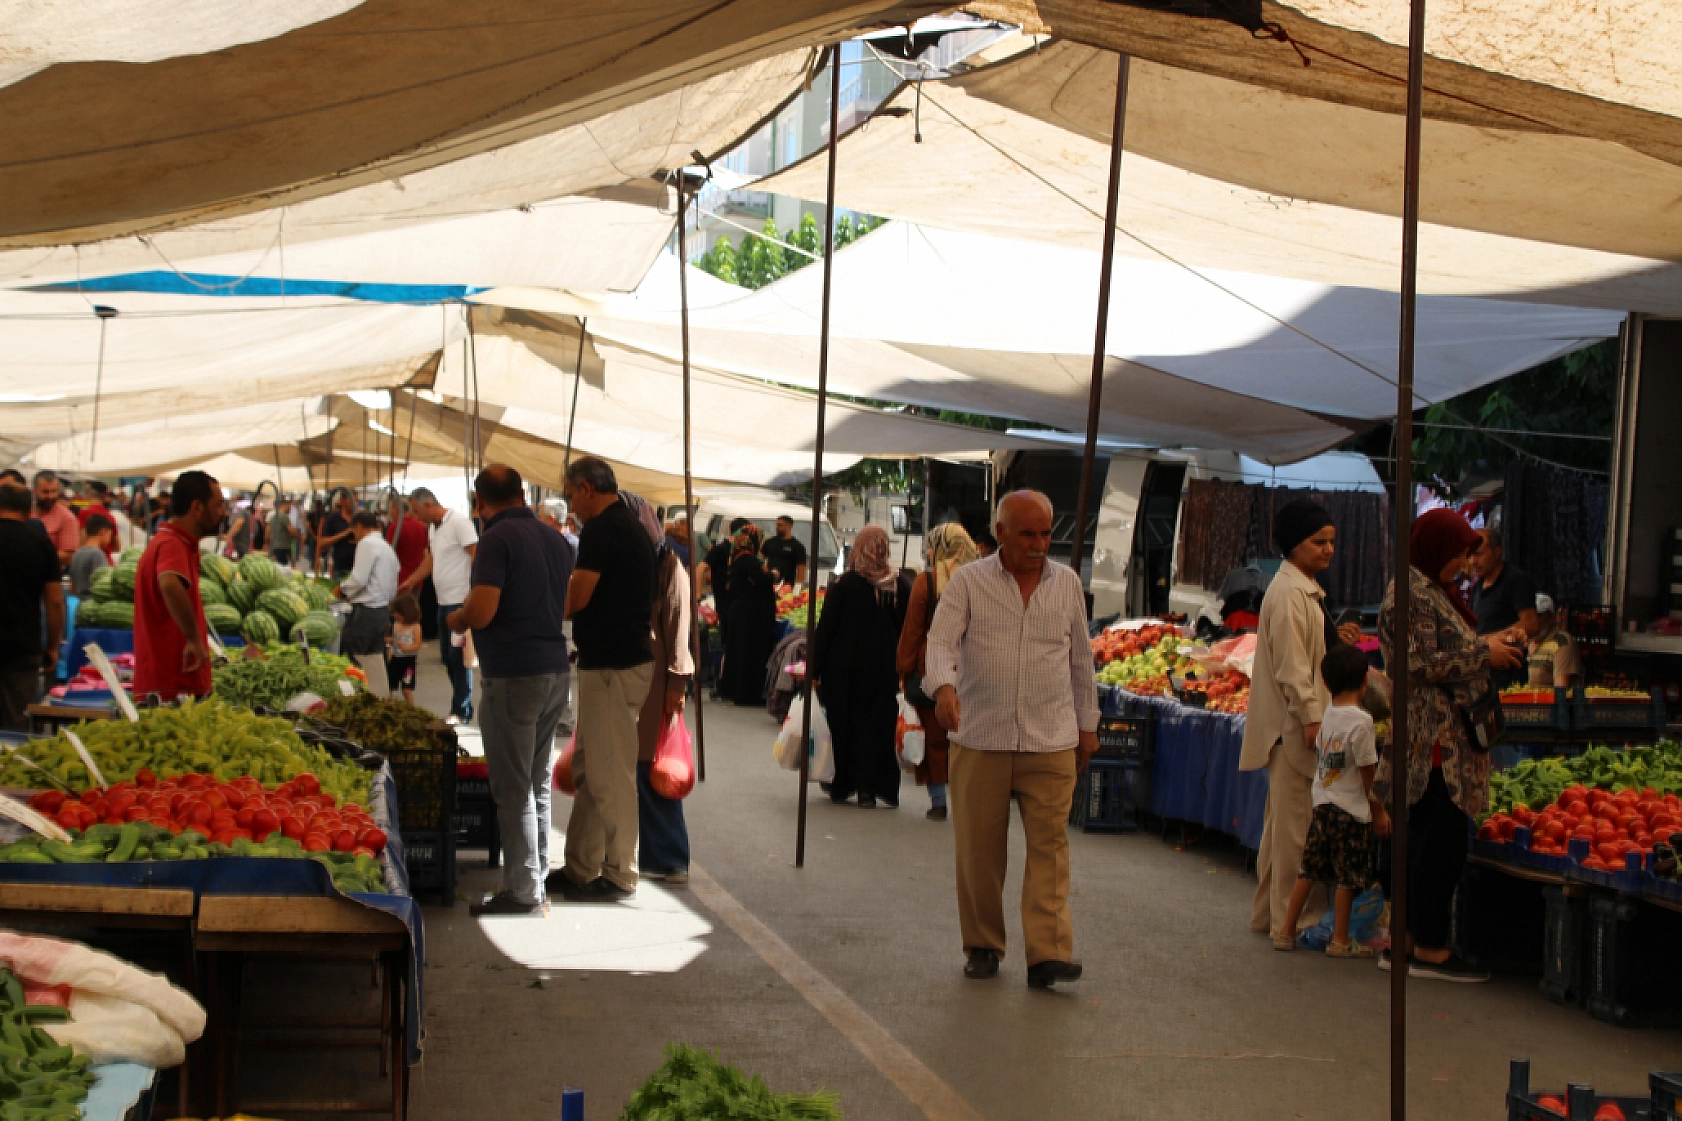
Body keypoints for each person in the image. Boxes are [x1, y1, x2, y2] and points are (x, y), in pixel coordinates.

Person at [923, 491, 1099, 990]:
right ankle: (982, 944)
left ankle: (1048, 953)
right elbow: (941, 643)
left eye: (1046, 534)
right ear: (1000, 533)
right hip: (982, 737)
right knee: (979, 850)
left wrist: (1088, 725)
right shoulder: (968, 583)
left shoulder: (1066, 585)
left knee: (1051, 850)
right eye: (1028, 534)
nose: (1039, 544)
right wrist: (944, 688)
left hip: (1052, 739)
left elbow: (1081, 662)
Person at [1377, 508, 1524, 982]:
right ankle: (1431, 948)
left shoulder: (1429, 592)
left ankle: (1407, 942)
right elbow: (1417, 664)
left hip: (1439, 737)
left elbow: (1443, 648)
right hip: (1432, 739)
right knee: (1438, 846)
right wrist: (1485, 652)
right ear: (1436, 547)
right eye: (1459, 554)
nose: (1464, 564)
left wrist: (1496, 641)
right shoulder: (1412, 594)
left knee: (1424, 841)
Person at [448, 465, 574, 917]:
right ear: (523, 494)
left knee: (514, 786)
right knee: (536, 781)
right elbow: (563, 604)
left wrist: (459, 618)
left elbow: (482, 610)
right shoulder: (556, 539)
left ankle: (521, 889)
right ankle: (533, 880)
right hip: (554, 670)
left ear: (479, 503)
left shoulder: (495, 541)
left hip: (514, 674)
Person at [1240, 498, 1356, 939]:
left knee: (1282, 829)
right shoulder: (1289, 593)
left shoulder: (1302, 589)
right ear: (1294, 545)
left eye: (1331, 542)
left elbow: (1312, 653)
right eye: (1318, 542)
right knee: (1297, 832)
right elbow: (1292, 668)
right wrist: (1311, 720)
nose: (1328, 549)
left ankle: (1268, 915)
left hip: (1294, 728)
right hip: (1295, 730)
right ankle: (1296, 921)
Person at [556, 456, 656, 903]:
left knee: (610, 774)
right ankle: (580, 865)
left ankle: (618, 872)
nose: (570, 506)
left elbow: (577, 595)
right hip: (607, 663)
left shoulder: (604, 528)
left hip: (615, 667)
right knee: (591, 770)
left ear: (586, 488)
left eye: (570, 495)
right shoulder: (624, 524)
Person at [1275, 644, 1390, 956]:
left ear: (1326, 684)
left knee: (1309, 870)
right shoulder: (1362, 722)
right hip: (1351, 811)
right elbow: (1369, 772)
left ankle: (1285, 931)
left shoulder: (1329, 715)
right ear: (1366, 682)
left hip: (1323, 805)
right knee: (1346, 877)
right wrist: (1378, 811)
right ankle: (1340, 940)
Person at [811, 525, 910, 808]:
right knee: (877, 728)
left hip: (844, 672)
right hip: (883, 671)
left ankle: (843, 785)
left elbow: (826, 629)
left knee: (846, 726)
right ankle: (871, 788)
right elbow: (907, 630)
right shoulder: (898, 585)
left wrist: (814, 670)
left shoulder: (845, 585)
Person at [625, 492, 694, 884]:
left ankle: (669, 857)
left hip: (656, 684)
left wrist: (676, 683)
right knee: (635, 770)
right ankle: (652, 854)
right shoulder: (637, 566)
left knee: (654, 772)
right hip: (633, 678)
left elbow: (678, 630)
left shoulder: (669, 567)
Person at [898, 523, 981, 821]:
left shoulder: (927, 582)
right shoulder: (981, 579)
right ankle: (966, 800)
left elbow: (913, 632)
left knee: (935, 739)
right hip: (973, 673)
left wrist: (904, 669)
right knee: (968, 742)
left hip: (932, 671)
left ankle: (938, 802)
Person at [133, 471, 223, 702]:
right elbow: (170, 584)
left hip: (172, 683)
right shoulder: (172, 543)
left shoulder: (172, 541)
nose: (222, 513)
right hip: (173, 686)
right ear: (197, 508)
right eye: (218, 505)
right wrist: (193, 639)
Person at [398, 487, 479, 724]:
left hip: (458, 601)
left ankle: (461, 710)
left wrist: (473, 591)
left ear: (429, 505)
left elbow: (476, 553)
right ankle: (459, 705)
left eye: (416, 511)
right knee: (447, 655)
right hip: (443, 601)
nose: (415, 516)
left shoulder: (459, 522)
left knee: (458, 657)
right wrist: (412, 580)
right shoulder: (433, 528)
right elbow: (431, 559)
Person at [0, 483, 63, 732]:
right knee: (16, 721)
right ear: (29, 511)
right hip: (22, 647)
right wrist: (53, 645)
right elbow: (55, 602)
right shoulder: (40, 544)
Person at [335, 512, 400, 695]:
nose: (353, 535)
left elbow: (359, 579)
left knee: (354, 661)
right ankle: (379, 699)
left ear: (360, 527)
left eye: (353, 531)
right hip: (381, 612)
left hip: (366, 612)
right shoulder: (387, 547)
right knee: (375, 662)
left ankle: (356, 700)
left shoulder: (367, 543)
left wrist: (343, 589)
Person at [1470, 528, 1537, 689]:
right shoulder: (1478, 587)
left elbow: (1531, 624)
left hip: (1507, 679)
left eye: (1479, 554)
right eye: (1470, 555)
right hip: (1483, 676)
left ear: (1497, 552)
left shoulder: (1515, 580)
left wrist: (1494, 639)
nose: (1473, 561)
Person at [719, 524, 777, 707]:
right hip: (751, 616)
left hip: (743, 613)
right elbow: (759, 579)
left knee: (740, 651)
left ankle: (736, 691)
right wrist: (774, 576)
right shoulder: (749, 560)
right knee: (750, 653)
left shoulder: (738, 558)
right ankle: (748, 694)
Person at [1528, 594, 1583, 691]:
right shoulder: (1526, 641)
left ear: (1550, 618)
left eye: (1538, 616)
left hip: (1547, 704)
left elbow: (1561, 691)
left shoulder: (1561, 642)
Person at [31, 471, 77, 566]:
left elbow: (68, 556)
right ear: (34, 491)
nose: (50, 496)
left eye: (54, 491)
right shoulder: (24, 511)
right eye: (45, 492)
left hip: (49, 575)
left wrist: (34, 556)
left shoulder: (67, 518)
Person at [386, 593, 423, 704]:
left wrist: (406, 648)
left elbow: (417, 645)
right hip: (396, 659)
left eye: (397, 613)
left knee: (406, 688)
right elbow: (395, 639)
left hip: (409, 662)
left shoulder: (415, 627)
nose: (395, 615)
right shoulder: (396, 625)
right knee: (391, 685)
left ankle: (411, 708)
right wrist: (388, 640)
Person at [384, 500, 428, 588]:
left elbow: (389, 554)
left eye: (391, 510)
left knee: (398, 602)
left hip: (399, 580)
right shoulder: (421, 527)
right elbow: (426, 554)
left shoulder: (394, 527)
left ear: (396, 509)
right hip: (418, 578)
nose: (391, 513)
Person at [69, 515, 115, 597]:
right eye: (110, 535)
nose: (110, 540)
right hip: (94, 604)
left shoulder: (76, 554)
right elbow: (103, 585)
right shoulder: (97, 554)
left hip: (81, 604)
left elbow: (73, 588)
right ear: (103, 532)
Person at [318, 491, 359, 577]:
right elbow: (322, 543)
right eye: (352, 501)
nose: (355, 504)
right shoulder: (333, 518)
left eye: (357, 501)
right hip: (340, 568)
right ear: (342, 501)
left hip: (359, 568)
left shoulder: (360, 518)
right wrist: (346, 533)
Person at [762, 515, 808, 589]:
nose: (777, 527)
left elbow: (801, 569)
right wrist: (764, 569)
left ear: (789, 527)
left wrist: (798, 587)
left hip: (787, 586)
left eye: (780, 525)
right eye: (776, 525)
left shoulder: (797, 546)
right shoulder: (769, 542)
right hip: (769, 584)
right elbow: (760, 558)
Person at [266, 498, 296, 566]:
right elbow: (291, 530)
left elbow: (267, 531)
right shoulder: (284, 516)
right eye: (289, 507)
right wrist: (300, 538)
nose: (290, 509)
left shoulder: (273, 516)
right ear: (285, 505)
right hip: (282, 547)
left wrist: (267, 542)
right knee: (281, 567)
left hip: (274, 546)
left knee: (275, 566)